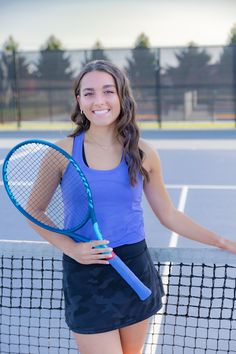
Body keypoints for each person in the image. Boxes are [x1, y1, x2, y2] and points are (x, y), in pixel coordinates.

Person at [30, 60, 236, 354]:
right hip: (86, 275)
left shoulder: (143, 153)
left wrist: (222, 241)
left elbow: (169, 215)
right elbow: (34, 210)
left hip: (134, 267)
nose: (99, 100)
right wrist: (72, 248)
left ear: (121, 96)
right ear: (79, 100)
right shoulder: (61, 152)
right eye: (88, 93)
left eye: (107, 91)